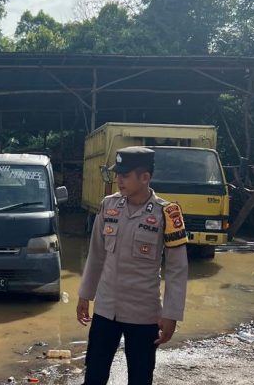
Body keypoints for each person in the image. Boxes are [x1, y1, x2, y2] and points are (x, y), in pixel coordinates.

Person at [76, 146, 189, 385]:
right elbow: (96, 255)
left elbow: (177, 269)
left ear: (145, 177)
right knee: (94, 375)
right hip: (106, 309)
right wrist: (85, 295)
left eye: (125, 175)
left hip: (144, 314)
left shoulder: (167, 214)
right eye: (118, 174)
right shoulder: (109, 206)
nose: (119, 180)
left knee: (139, 377)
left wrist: (171, 314)